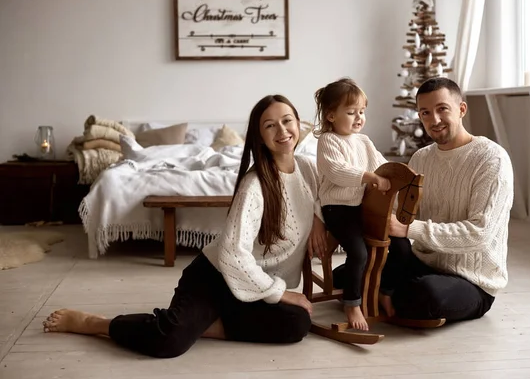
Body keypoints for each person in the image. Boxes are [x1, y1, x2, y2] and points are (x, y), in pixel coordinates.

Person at [42, 95, 328, 358]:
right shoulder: (255, 185)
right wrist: (281, 293)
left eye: (287, 120)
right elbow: (232, 255)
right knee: (170, 342)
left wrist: (317, 218)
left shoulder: (307, 168)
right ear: (259, 136)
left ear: (298, 122)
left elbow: (326, 197)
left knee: (297, 325)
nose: (282, 131)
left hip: (255, 289)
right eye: (270, 125)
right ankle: (96, 323)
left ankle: (205, 325)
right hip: (216, 277)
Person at [334, 77, 514, 323]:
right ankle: (390, 294)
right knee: (342, 278)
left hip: (472, 280)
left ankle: (390, 295)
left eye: (442, 109)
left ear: (461, 109)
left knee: (425, 295)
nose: (434, 120)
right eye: (425, 113)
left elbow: (479, 234)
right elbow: (397, 210)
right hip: (423, 262)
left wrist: (409, 228)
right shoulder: (421, 158)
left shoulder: (491, 159)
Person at [313, 77, 392, 331]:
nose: (359, 117)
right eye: (351, 112)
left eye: (362, 112)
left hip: (360, 206)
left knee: (393, 245)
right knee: (358, 252)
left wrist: (396, 174)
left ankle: (383, 292)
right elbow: (338, 171)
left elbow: (381, 165)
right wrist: (369, 177)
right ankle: (351, 302)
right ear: (331, 116)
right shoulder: (328, 141)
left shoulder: (364, 141)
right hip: (337, 209)